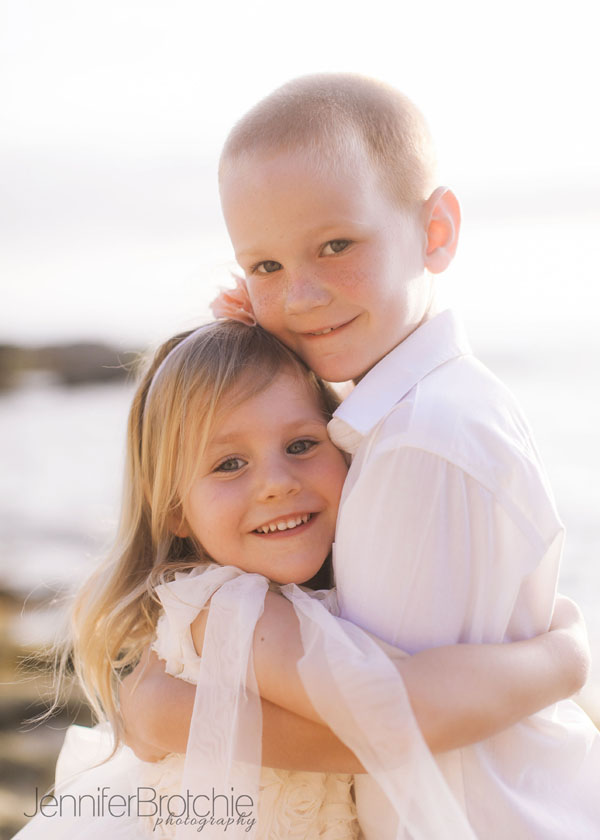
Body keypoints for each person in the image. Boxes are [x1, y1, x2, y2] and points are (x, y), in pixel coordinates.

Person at [122, 74, 600, 838]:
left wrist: (569, 665)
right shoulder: (396, 418)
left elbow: (394, 718)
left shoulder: (417, 442)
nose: (303, 296)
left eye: (336, 245)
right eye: (266, 268)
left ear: (436, 231)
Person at [14, 322, 589, 840]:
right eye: (229, 464)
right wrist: (563, 661)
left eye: (301, 445)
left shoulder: (326, 600)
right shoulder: (230, 610)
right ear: (175, 512)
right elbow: (402, 717)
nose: (276, 483)